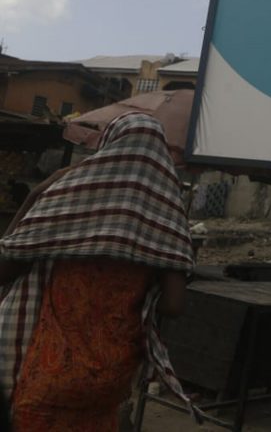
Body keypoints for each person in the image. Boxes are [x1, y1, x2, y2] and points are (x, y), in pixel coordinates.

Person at [0, 112, 198, 431]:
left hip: (48, 372)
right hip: (112, 376)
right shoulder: (167, 217)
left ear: (108, 145)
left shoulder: (64, 200)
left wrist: (37, 195)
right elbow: (174, 305)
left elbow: (3, 270)